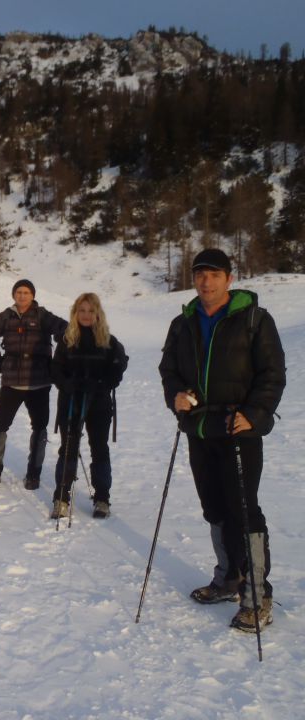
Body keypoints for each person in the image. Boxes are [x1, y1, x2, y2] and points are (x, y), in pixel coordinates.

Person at [159, 248, 285, 632]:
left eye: (214, 274)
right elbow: (169, 370)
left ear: (229, 278)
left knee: (243, 509)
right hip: (199, 429)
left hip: (239, 429)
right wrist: (176, 396)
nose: (206, 281)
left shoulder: (253, 320)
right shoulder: (182, 324)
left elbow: (272, 373)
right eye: (200, 274)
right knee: (214, 508)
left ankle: (257, 594)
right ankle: (228, 578)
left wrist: (256, 414)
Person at [0, 279, 67, 490]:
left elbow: (65, 329)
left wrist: (58, 359)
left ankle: (33, 474)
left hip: (39, 381)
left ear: (33, 295)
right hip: (11, 380)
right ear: (13, 295)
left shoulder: (42, 315)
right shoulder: (5, 316)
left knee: (39, 428)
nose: (22, 296)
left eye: (26, 292)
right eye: (19, 292)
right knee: (0, 426)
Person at [49, 293, 128, 520]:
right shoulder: (66, 340)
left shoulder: (109, 341)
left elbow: (118, 369)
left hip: (98, 401)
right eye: (81, 311)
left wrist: (102, 383)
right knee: (68, 447)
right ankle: (61, 497)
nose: (86, 315)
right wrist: (67, 383)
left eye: (90, 311)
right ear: (75, 313)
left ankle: (102, 497)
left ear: (97, 314)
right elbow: (55, 369)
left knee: (99, 447)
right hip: (71, 400)